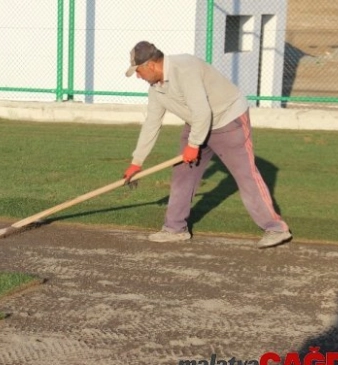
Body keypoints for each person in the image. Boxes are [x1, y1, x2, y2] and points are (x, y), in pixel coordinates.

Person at [122, 41, 291, 249]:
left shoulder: (185, 69)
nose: (138, 77)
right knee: (183, 174)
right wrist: (137, 161)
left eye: (138, 71)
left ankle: (276, 228)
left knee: (245, 174)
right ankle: (175, 229)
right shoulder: (156, 89)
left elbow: (203, 111)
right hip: (198, 123)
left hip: (228, 119)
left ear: (151, 65)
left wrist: (193, 145)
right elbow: (151, 124)